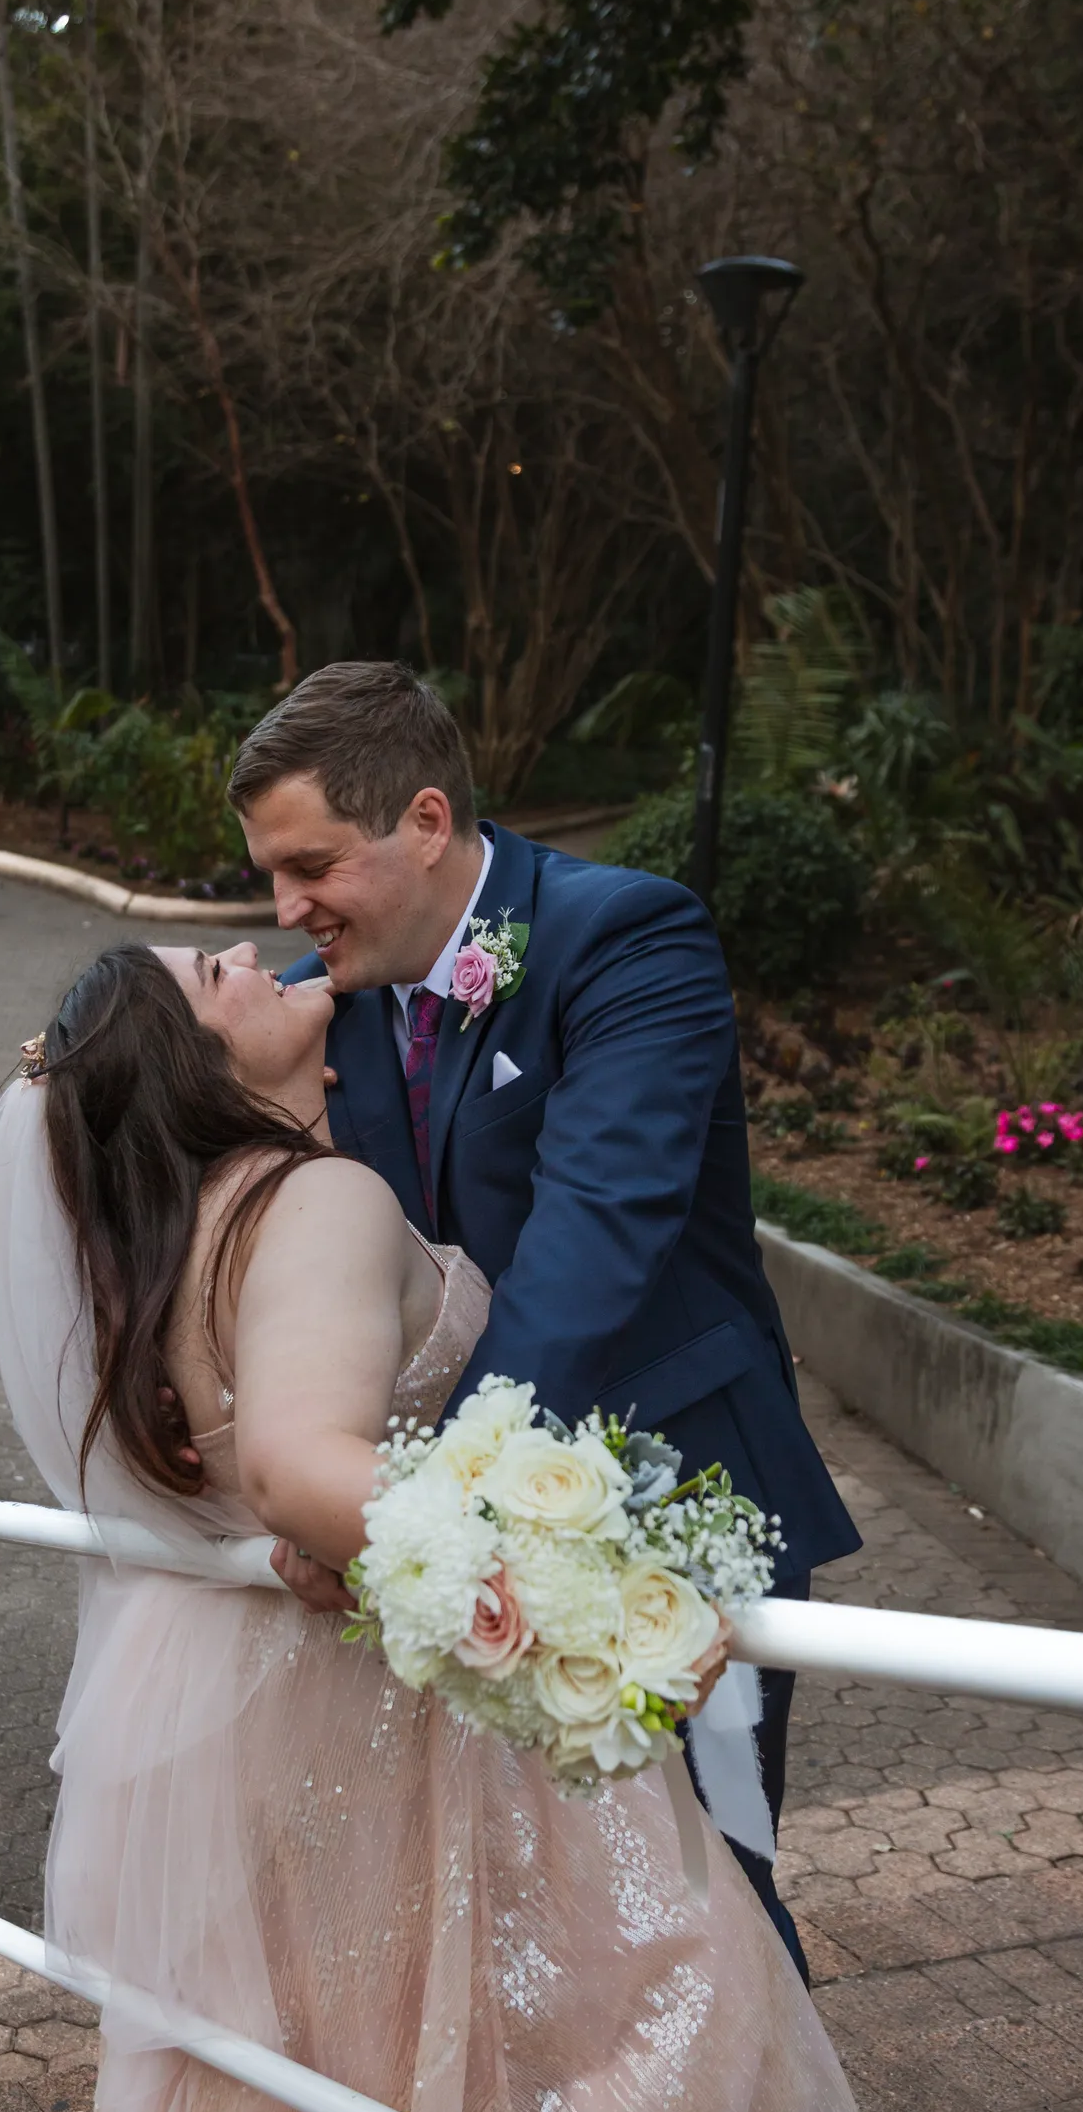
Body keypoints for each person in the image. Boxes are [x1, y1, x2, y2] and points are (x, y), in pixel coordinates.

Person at [0, 939, 882, 2112]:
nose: (253, 945)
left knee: (360, 2031)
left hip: (267, 1702)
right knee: (652, 1981)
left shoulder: (168, 1240)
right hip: (399, 1706)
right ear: (195, 1063)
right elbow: (293, 1460)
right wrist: (563, 1605)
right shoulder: (314, 1201)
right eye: (210, 971)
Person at [229, 663, 861, 1981]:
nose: (285, 907)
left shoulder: (627, 938)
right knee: (525, 1909)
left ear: (420, 819)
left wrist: (411, 1526)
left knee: (706, 1889)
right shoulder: (315, 1004)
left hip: (679, 1504)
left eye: (312, 866)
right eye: (270, 874)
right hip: (461, 1556)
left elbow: (594, 1241)